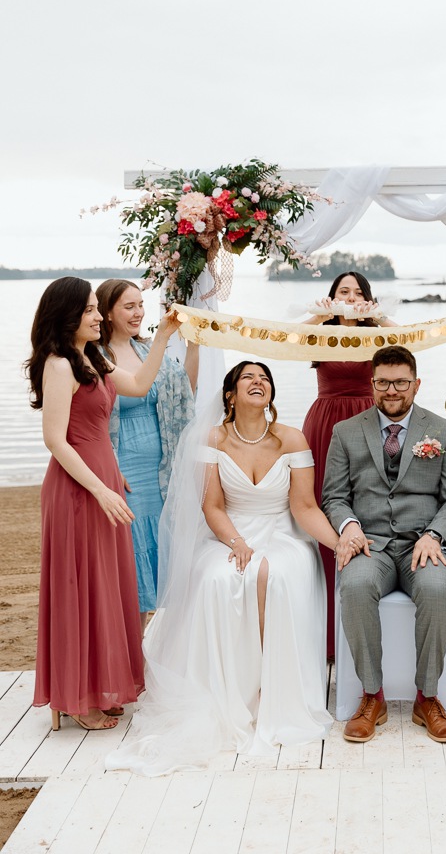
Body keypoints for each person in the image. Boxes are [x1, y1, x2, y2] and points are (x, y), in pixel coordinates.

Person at [106, 360, 340, 774]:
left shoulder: (291, 439)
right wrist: (236, 542)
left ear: (271, 393)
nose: (259, 382)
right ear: (230, 394)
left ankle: (275, 690)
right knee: (219, 576)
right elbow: (211, 505)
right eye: (248, 377)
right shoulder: (212, 438)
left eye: (265, 378)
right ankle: (229, 691)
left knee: (274, 574)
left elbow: (304, 507)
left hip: (284, 533)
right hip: (228, 532)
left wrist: (337, 543)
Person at [26, 277, 180, 732]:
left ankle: (97, 686)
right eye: (91, 310)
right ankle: (75, 698)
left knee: (107, 587)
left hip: (105, 482)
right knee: (81, 588)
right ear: (68, 315)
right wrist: (100, 488)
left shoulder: (92, 358)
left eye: (98, 309)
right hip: (78, 489)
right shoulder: (58, 366)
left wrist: (166, 336)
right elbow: (56, 440)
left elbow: (137, 385)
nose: (99, 317)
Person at [322, 344, 446, 743]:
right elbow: (333, 496)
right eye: (384, 383)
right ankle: (372, 696)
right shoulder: (345, 432)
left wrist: (436, 535)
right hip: (369, 544)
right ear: (371, 384)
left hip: (422, 544)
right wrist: (349, 526)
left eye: (401, 383)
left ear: (416, 384)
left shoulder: (443, 431)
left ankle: (428, 697)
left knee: (437, 589)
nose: (392, 391)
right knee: (353, 586)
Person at [301, 271, 396, 656]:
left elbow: (405, 343)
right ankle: (323, 632)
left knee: (365, 507)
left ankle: (361, 620)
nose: (351, 297)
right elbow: (289, 340)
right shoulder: (321, 332)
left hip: (366, 422)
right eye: (344, 291)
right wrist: (320, 316)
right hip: (325, 422)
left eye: (358, 293)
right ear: (332, 295)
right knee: (323, 508)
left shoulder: (376, 336)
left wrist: (378, 314)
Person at [96, 279, 198, 633]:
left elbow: (184, 389)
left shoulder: (145, 352)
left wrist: (195, 346)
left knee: (161, 559)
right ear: (107, 312)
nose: (138, 312)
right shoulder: (97, 356)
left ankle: (159, 651)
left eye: (141, 304)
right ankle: (131, 653)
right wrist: (107, 463)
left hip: (161, 468)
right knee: (131, 559)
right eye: (129, 306)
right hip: (122, 466)